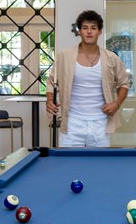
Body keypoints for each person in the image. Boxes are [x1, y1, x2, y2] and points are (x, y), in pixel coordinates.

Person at [46, 10, 130, 147]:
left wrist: (117, 103)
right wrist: (50, 100)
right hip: (72, 123)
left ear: (100, 31)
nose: (89, 32)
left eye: (93, 28)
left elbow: (124, 83)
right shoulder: (64, 56)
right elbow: (51, 82)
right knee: (70, 166)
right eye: (85, 28)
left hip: (101, 123)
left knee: (99, 166)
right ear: (79, 31)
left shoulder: (111, 58)